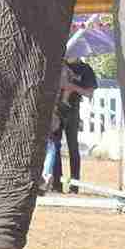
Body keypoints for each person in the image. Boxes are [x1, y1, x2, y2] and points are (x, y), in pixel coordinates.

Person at [44, 57, 97, 194]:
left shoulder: (85, 69)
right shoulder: (59, 64)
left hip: (73, 112)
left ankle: (74, 186)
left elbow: (89, 92)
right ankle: (56, 184)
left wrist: (73, 87)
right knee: (54, 146)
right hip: (56, 110)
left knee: (73, 147)